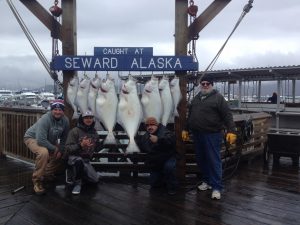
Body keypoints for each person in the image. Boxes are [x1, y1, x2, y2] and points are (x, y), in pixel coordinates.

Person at [182, 76, 237, 200]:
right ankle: (206, 181)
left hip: (212, 135)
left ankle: (217, 187)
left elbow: (227, 115)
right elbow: (190, 115)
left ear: (212, 85)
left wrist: (231, 131)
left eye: (208, 83)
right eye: (203, 83)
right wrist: (186, 129)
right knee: (201, 160)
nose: (205, 85)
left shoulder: (218, 98)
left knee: (214, 161)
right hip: (197, 134)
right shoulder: (196, 98)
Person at [24, 100, 70, 195]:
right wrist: (55, 149)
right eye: (55, 109)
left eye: (60, 110)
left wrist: (60, 150)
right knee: (43, 152)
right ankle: (37, 180)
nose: (57, 112)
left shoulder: (65, 121)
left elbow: (64, 139)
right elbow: (40, 140)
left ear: (63, 111)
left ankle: (46, 173)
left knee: (64, 152)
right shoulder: (45, 119)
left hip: (48, 141)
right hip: (32, 138)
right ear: (51, 110)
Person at [136, 117, 178, 195]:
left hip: (168, 158)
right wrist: (129, 150)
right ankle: (162, 180)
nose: (150, 127)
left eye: (152, 125)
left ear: (157, 125)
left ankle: (172, 187)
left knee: (169, 167)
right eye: (148, 125)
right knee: (154, 184)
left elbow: (171, 141)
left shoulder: (165, 132)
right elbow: (142, 147)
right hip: (156, 162)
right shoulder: (146, 136)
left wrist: (158, 140)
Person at [64, 110, 101, 195]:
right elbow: (68, 148)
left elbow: (97, 148)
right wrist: (80, 145)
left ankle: (77, 175)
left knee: (95, 180)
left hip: (86, 160)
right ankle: (77, 183)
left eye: (91, 118)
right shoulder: (74, 131)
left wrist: (100, 144)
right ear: (82, 119)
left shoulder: (94, 133)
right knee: (78, 161)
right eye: (86, 118)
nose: (88, 120)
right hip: (73, 158)